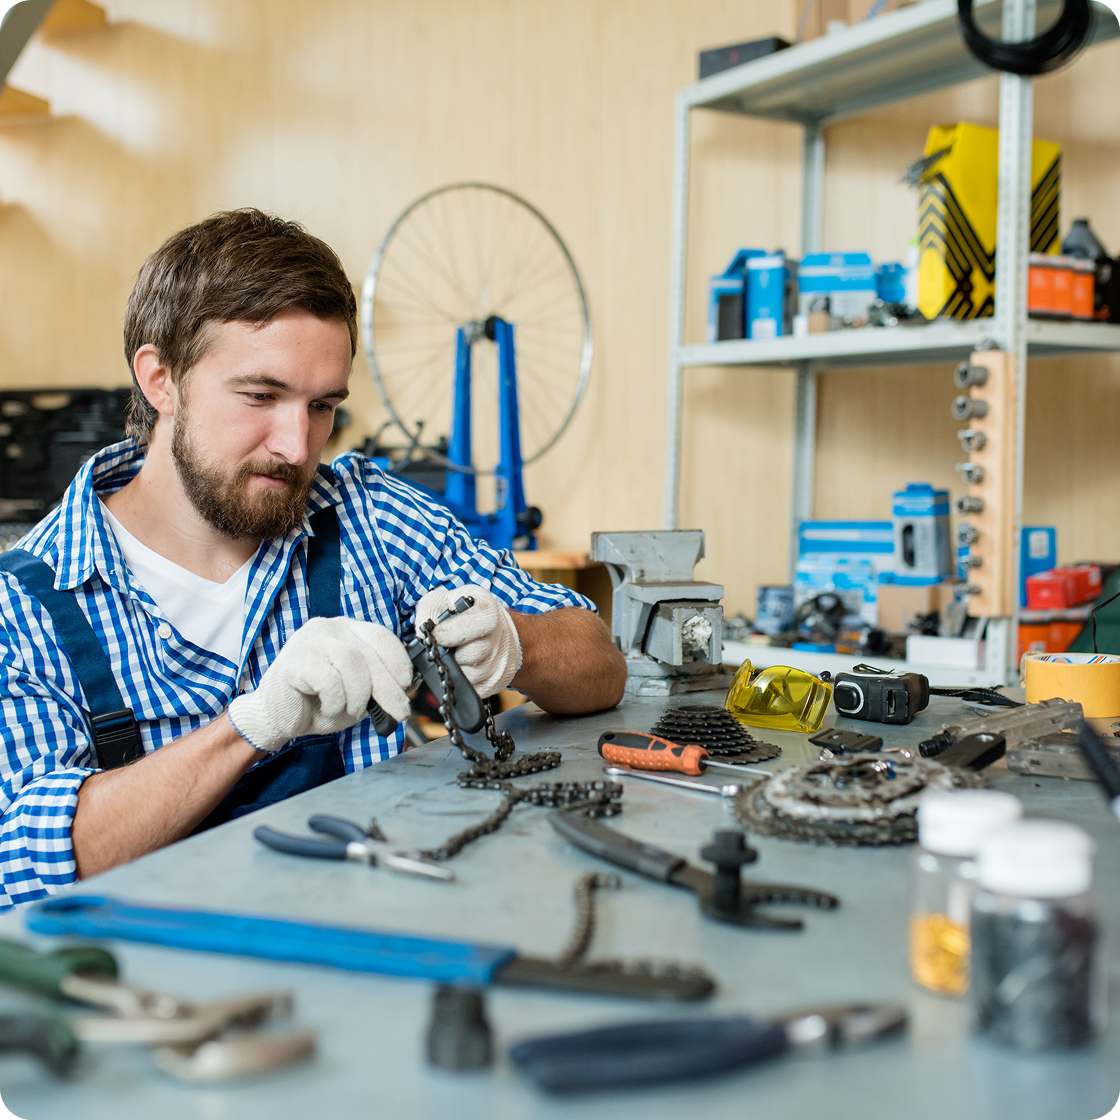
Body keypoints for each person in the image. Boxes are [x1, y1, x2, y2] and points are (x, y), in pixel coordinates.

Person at [0, 209, 626, 910]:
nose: (299, 447)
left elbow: (600, 666)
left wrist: (517, 643)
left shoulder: (370, 515)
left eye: (323, 406)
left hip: (374, 940)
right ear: (160, 380)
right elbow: (27, 866)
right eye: (261, 396)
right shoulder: (26, 605)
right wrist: (250, 726)